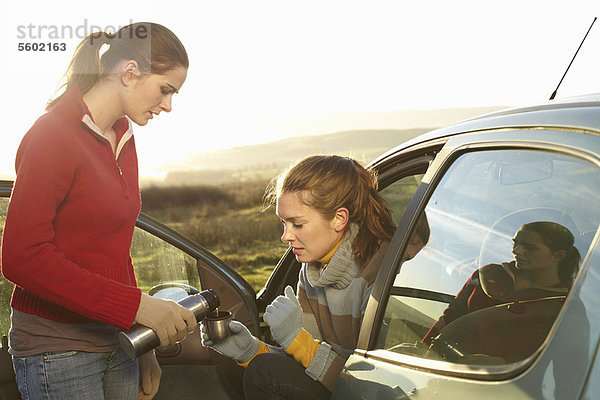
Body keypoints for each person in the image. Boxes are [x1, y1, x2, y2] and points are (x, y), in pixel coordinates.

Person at [1, 22, 196, 400]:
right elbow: (21, 258)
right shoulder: (52, 135)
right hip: (58, 351)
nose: (168, 105)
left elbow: (115, 251)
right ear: (129, 73)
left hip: (118, 342)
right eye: (165, 90)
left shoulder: (122, 136)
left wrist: (145, 344)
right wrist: (138, 306)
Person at [202, 155, 428, 400]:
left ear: (339, 219)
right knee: (263, 367)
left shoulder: (383, 273)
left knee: (264, 372)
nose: (285, 236)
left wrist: (296, 341)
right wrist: (251, 350)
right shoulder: (311, 273)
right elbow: (307, 363)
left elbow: (374, 388)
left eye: (297, 224)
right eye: (283, 223)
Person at [422, 221, 581, 346]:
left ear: (558, 255)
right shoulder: (488, 274)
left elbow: (568, 369)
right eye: (515, 243)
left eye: (530, 247)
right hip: (444, 372)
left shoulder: (567, 304)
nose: (516, 250)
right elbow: (449, 317)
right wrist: (421, 350)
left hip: (504, 383)